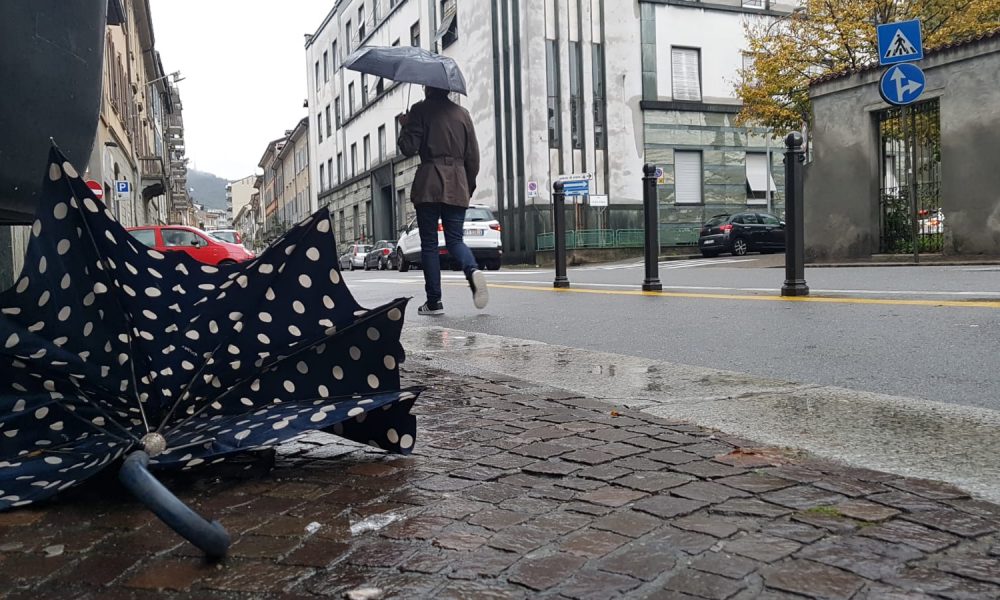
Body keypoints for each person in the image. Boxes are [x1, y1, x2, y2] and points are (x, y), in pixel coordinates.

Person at [397, 86, 487, 315]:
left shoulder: (420, 110)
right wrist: (468, 185)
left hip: (430, 183)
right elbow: (473, 156)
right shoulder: (462, 114)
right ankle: (472, 269)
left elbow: (409, 148)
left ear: (428, 88)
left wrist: (405, 125)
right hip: (457, 183)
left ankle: (434, 302)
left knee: (429, 244)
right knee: (455, 240)